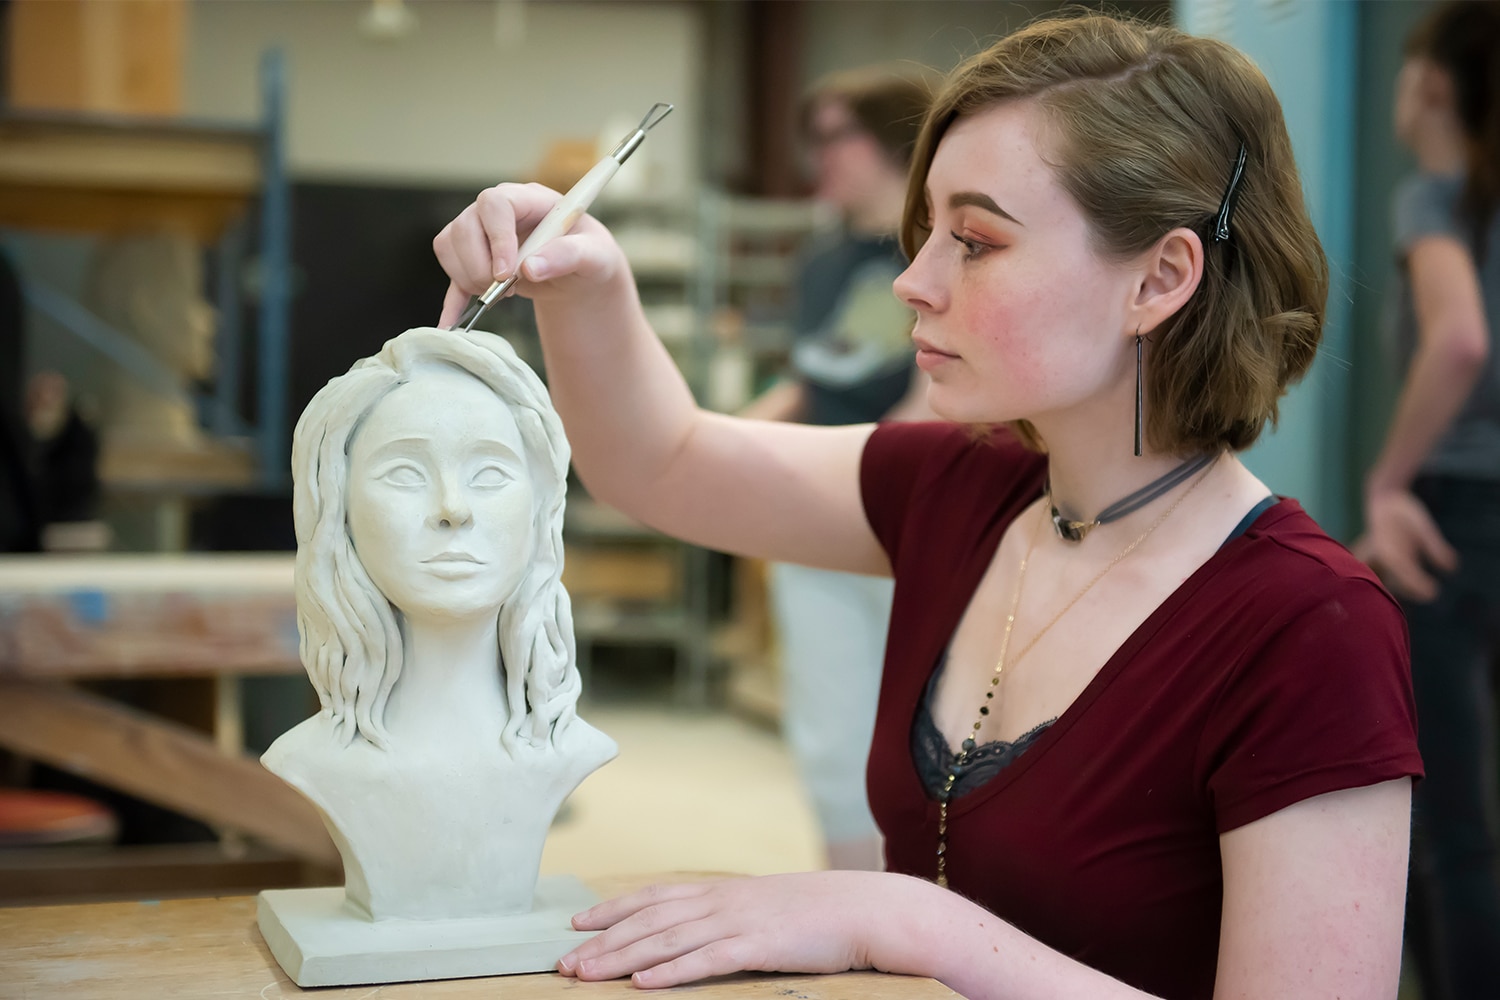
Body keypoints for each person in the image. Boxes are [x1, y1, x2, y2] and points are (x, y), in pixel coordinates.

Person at [434, 13, 1420, 999]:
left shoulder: (1309, 627)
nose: (913, 281)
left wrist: (898, 915)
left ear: (1159, 279)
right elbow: (663, 462)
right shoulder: (961, 487)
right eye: (927, 233)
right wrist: (586, 281)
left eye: (976, 241)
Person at [265, 327, 615, 920]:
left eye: (490, 474)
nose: (454, 508)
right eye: (405, 473)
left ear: (539, 508)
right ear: (337, 509)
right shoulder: (314, 760)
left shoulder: (565, 747)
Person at [739, 65, 933, 872]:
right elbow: (811, 380)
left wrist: (862, 475)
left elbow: (938, 396)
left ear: (889, 140)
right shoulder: (819, 264)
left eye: (834, 136)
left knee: (928, 725)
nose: (817, 155)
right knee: (829, 724)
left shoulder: (939, 246)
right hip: (819, 510)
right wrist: (714, 447)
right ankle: (853, 896)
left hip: (910, 508)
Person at [1354, 3, 1500, 997]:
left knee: (1450, 823)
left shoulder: (1437, 201)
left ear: (1434, 88)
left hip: (1454, 517)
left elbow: (1458, 339)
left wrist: (1388, 479)